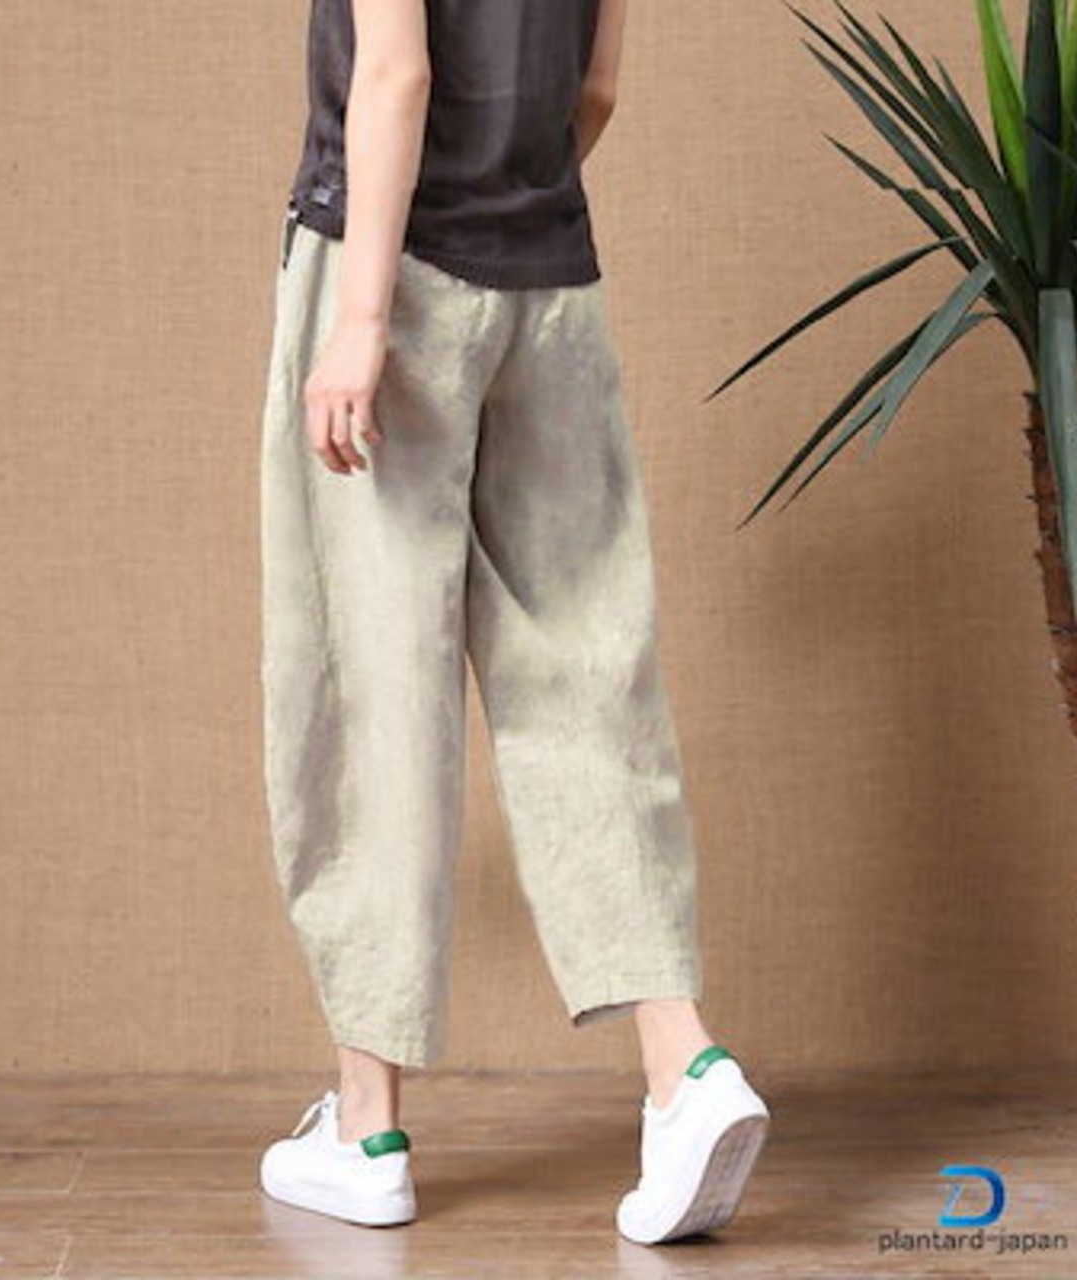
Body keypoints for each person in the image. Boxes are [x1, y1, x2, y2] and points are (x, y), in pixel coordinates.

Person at [256, 0, 771, 1245]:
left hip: (387, 268)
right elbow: (593, 91)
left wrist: (361, 320)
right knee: (586, 676)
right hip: (550, 286)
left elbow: (395, 74)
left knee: (372, 688)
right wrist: (509, 216)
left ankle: (366, 1127)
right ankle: (684, 1067)